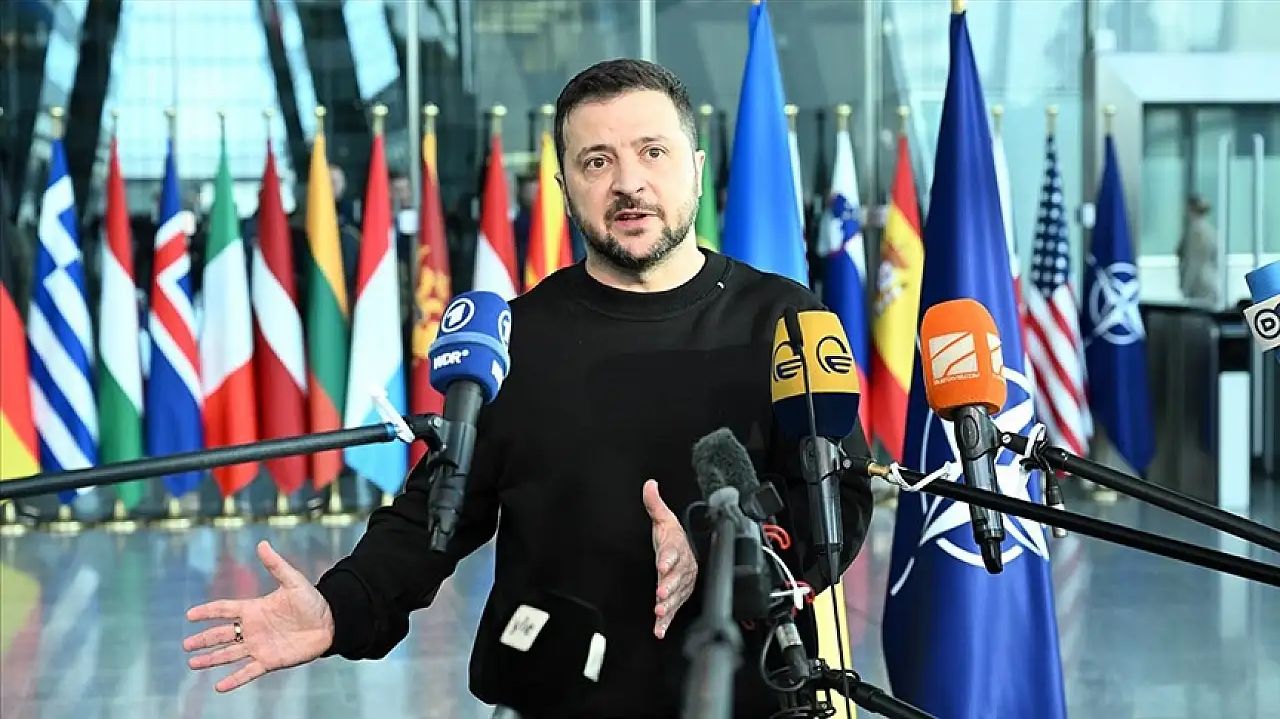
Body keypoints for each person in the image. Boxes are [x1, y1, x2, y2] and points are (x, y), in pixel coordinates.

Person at [183, 58, 873, 718]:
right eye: (597, 161)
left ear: (694, 168)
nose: (628, 182)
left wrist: (720, 555)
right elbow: (432, 517)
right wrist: (337, 609)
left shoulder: (785, 320)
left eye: (652, 152)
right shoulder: (515, 340)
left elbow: (837, 499)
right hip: (553, 699)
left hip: (747, 697)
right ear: (565, 186)